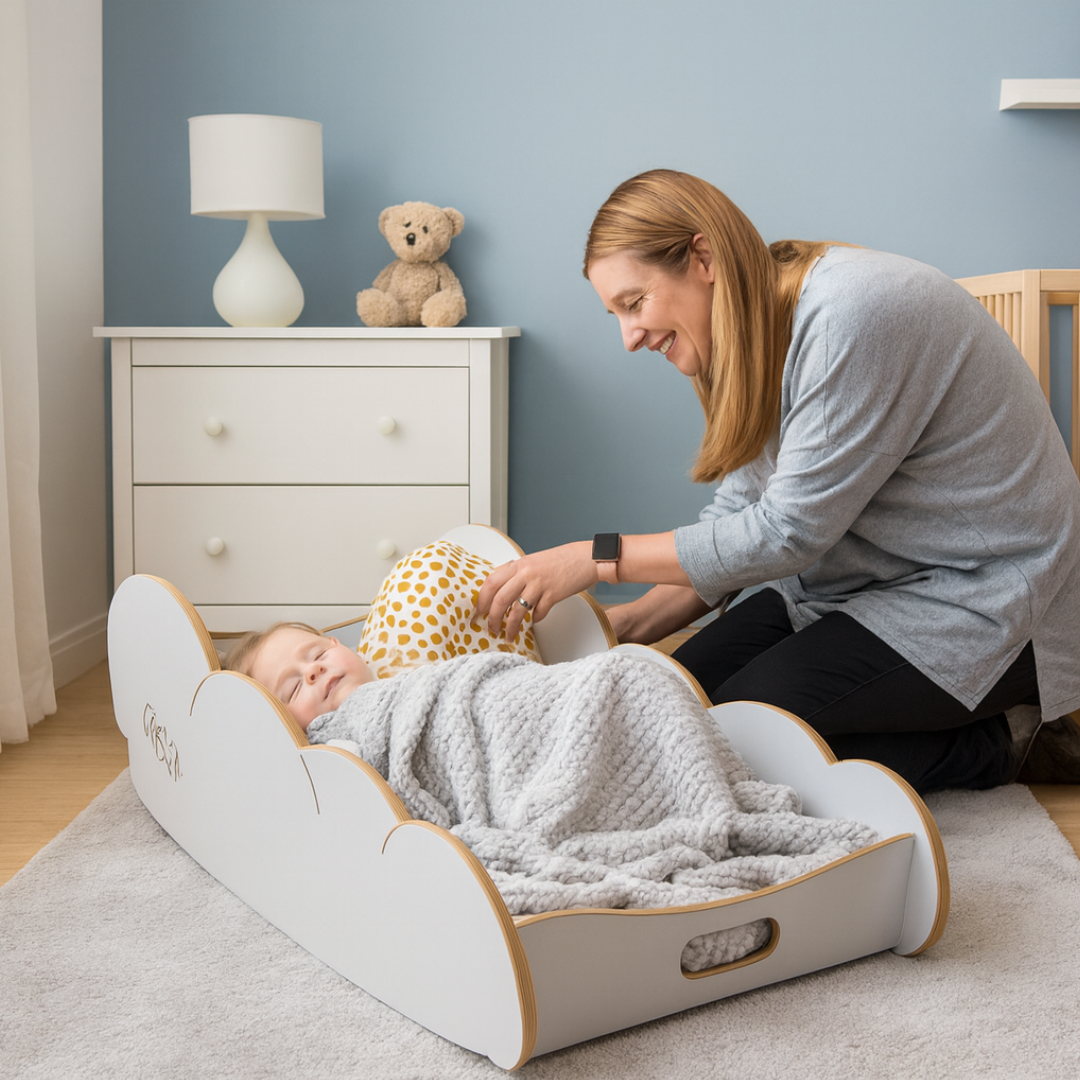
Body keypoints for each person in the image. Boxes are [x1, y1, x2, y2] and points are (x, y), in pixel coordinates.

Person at [475, 168, 1080, 794]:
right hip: (857, 588)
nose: (629, 338)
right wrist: (622, 629)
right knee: (673, 708)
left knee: (735, 745)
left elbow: (786, 534)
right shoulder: (756, 334)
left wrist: (596, 557)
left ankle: (1002, 738)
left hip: (988, 597)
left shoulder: (853, 312)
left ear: (703, 258)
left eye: (634, 304)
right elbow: (740, 517)